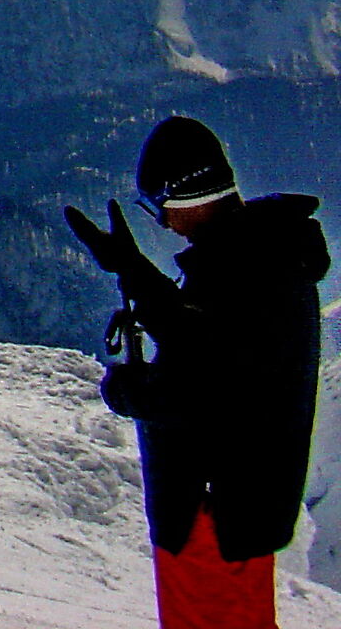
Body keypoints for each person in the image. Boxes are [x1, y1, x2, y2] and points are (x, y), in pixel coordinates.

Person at [66, 116, 328, 629]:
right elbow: (207, 340)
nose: (163, 224)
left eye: (159, 208)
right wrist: (132, 270)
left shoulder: (249, 271)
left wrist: (127, 390)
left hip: (212, 509)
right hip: (234, 505)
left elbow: (205, 393)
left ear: (184, 196)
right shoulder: (258, 258)